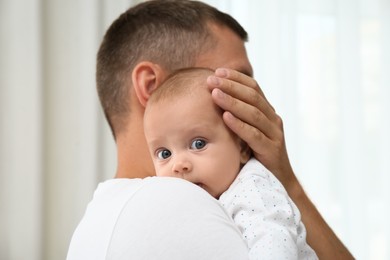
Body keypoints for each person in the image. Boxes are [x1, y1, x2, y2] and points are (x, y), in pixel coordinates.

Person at [67, 1, 354, 259]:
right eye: (236, 81)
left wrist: (286, 183)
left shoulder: (94, 221)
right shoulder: (178, 202)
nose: (254, 100)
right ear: (152, 86)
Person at [144, 67, 318, 259]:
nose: (178, 164)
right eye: (165, 153)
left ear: (242, 148)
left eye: (198, 144)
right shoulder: (196, 202)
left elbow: (272, 245)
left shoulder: (253, 189)